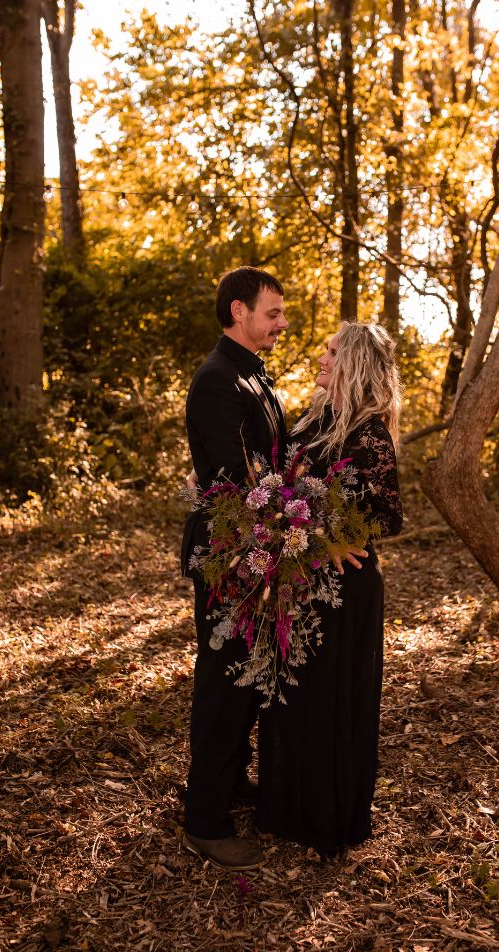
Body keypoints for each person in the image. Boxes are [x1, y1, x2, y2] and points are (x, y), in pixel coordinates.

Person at [257, 321, 403, 857]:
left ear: (355, 363)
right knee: (292, 691)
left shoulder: (368, 432)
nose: (321, 357)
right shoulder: (314, 419)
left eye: (331, 351)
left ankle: (326, 815)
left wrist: (331, 538)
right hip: (301, 580)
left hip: (345, 587)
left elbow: (386, 516)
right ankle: (285, 805)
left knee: (331, 696)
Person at [181, 266, 289, 869]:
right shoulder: (217, 379)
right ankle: (204, 821)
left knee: (247, 677)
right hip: (228, 556)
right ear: (238, 311)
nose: (281, 323)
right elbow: (231, 478)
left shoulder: (252, 373)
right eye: (271, 313)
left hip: (256, 552)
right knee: (223, 682)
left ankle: (225, 783)